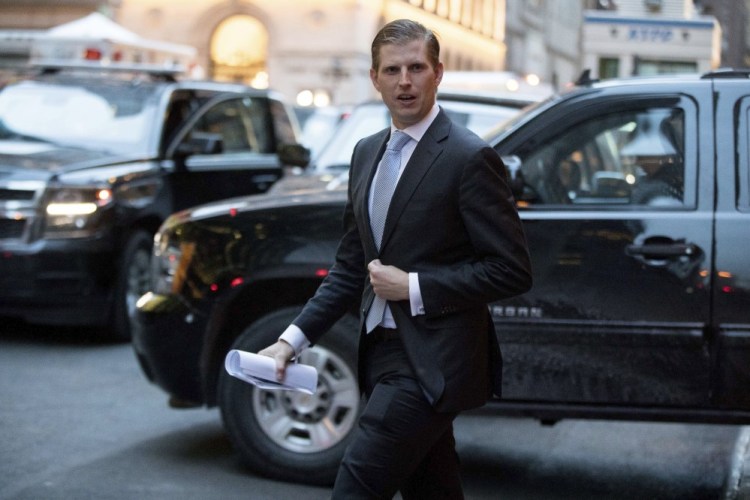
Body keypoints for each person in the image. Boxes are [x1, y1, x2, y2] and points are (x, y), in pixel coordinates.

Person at [259, 19, 532, 499]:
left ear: (438, 73)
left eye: (416, 68)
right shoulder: (366, 154)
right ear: (374, 78)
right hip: (379, 355)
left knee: (356, 489)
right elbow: (349, 268)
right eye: (392, 70)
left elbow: (511, 269)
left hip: (433, 363)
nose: (404, 81)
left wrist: (415, 287)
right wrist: (290, 342)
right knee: (433, 489)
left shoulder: (470, 157)